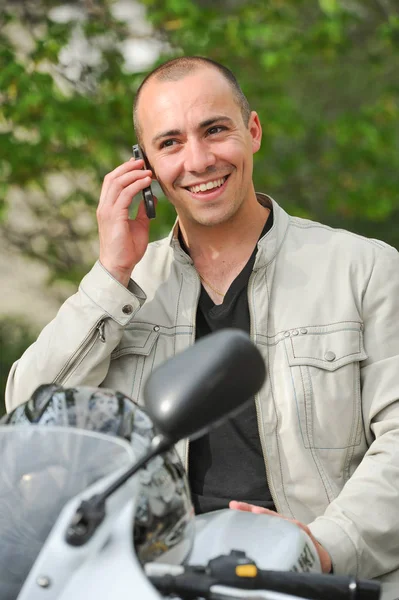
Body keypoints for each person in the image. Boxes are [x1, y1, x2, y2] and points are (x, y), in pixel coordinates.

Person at [5, 56, 399, 590]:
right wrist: (111, 272)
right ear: (143, 165)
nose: (199, 159)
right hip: (159, 581)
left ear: (252, 131)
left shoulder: (365, 268)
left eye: (215, 130)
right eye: (170, 143)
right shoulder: (121, 290)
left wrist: (322, 545)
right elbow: (31, 420)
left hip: (321, 581)